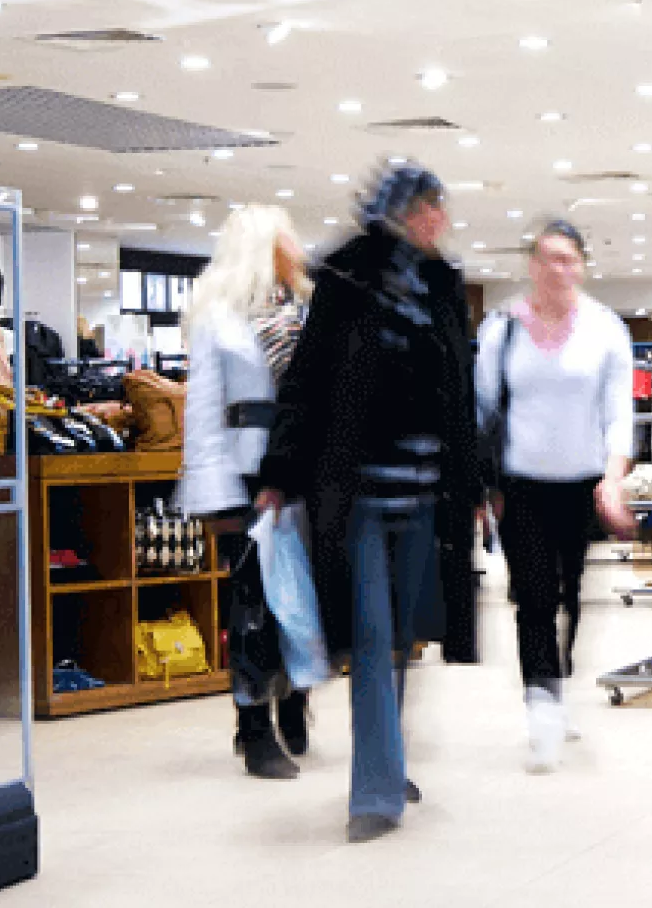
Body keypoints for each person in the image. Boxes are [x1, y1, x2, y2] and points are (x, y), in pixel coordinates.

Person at [257, 164, 482, 843]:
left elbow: (462, 394)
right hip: (355, 494)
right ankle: (376, 792)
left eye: (440, 206)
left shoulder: (442, 289)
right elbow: (305, 383)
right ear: (393, 212)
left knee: (404, 637)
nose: (436, 219)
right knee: (374, 635)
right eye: (424, 207)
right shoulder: (345, 284)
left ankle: (389, 760)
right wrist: (279, 470)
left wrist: (473, 484)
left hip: (424, 498)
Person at [475, 218, 635, 775]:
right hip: (520, 485)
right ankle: (540, 700)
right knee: (534, 598)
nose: (558, 269)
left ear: (583, 265)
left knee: (571, 592)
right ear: (531, 265)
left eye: (569, 259)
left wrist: (612, 481)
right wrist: (484, 488)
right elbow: (484, 410)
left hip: (582, 484)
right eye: (548, 258)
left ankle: (557, 680)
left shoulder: (605, 329)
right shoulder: (503, 329)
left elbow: (619, 415)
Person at [180, 204, 314, 780]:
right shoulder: (219, 317)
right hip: (245, 472)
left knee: (301, 597)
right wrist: (209, 488)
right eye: (288, 238)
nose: (299, 248)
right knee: (254, 602)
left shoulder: (309, 313)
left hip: (302, 469)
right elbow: (203, 410)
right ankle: (254, 726)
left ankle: (294, 700)